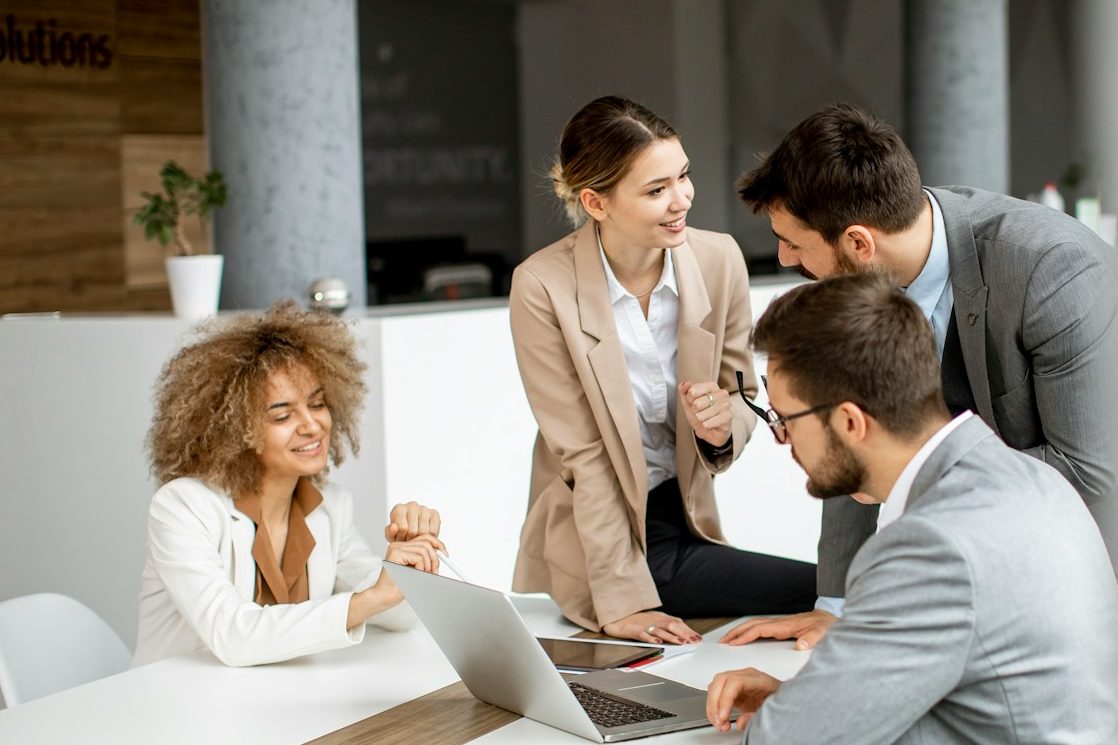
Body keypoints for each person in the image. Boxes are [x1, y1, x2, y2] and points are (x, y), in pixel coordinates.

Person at [723, 101, 1118, 651]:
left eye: (795, 243)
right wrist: (837, 607)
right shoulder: (854, 285)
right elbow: (851, 446)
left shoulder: (1053, 271)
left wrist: (902, 469)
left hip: (1076, 592)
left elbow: (1091, 473)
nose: (786, 260)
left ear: (859, 243)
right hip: (956, 585)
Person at [706, 273, 1118, 743]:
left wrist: (792, 718)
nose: (784, 442)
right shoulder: (1026, 477)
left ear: (849, 422)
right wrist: (798, 702)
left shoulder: (930, 546)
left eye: (786, 420)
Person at [508, 95, 816, 644]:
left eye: (683, 177)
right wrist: (622, 599)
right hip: (601, 533)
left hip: (684, 513)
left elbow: (742, 393)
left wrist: (723, 428)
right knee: (826, 590)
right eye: (656, 190)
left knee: (833, 587)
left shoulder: (719, 259)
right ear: (595, 203)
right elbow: (583, 454)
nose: (681, 201)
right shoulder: (542, 287)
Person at [133, 302, 445, 667]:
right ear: (234, 429)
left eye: (317, 404)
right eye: (282, 415)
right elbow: (234, 636)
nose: (312, 425)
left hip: (276, 707)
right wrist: (369, 599)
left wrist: (409, 572)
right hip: (176, 707)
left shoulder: (331, 506)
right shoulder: (182, 508)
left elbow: (399, 618)